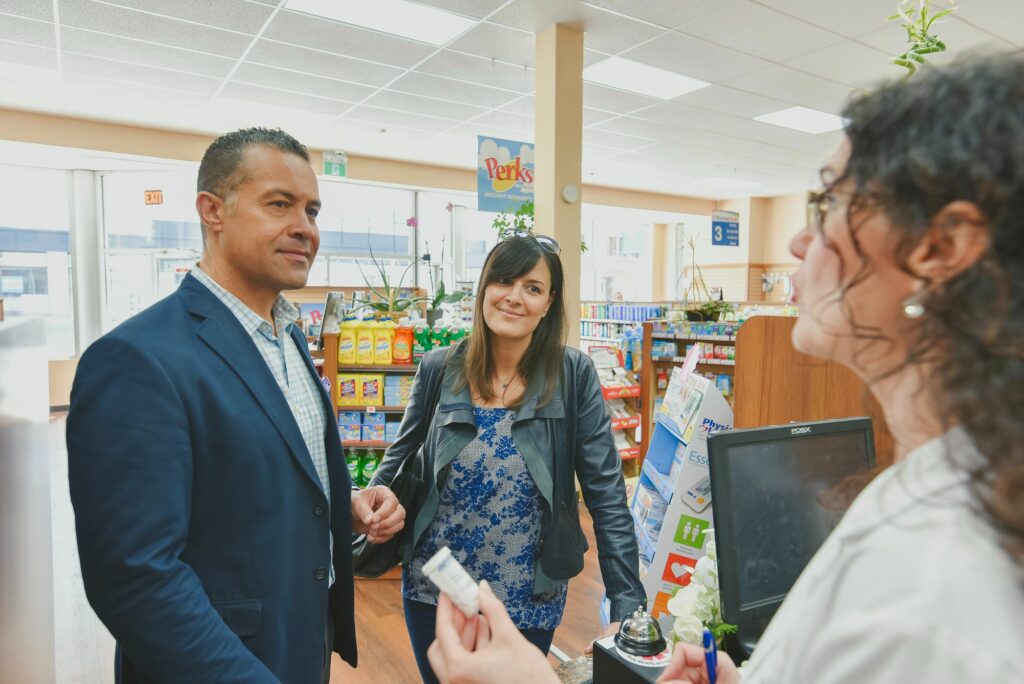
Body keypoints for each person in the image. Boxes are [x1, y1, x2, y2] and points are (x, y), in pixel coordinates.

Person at [428, 53, 1024, 683]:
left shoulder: (944, 590)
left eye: (831, 202)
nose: (798, 241)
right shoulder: (934, 487)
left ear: (940, 248)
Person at [67, 127, 405, 684]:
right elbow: (134, 577)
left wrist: (344, 499)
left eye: (313, 210)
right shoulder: (136, 359)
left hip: (299, 641)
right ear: (212, 211)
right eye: (279, 204)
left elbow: (259, 469)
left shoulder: (291, 337)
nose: (305, 228)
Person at [368, 233, 646, 683]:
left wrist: (627, 607)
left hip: (528, 594)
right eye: (504, 281)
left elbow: (607, 496)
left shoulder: (572, 375)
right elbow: (397, 459)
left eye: (532, 288)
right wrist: (377, 497)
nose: (515, 297)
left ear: (548, 302)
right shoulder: (440, 368)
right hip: (435, 587)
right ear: (484, 288)